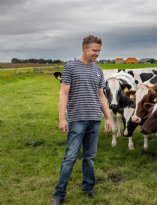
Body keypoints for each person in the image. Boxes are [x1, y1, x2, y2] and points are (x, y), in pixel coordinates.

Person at [52, 35, 112, 205]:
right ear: (85, 48)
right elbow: (63, 93)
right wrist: (62, 118)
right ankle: (59, 193)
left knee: (89, 157)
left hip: (94, 120)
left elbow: (101, 96)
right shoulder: (70, 67)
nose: (97, 54)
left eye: (99, 51)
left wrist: (108, 118)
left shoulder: (98, 70)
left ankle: (88, 187)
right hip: (77, 119)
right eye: (94, 50)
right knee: (70, 157)